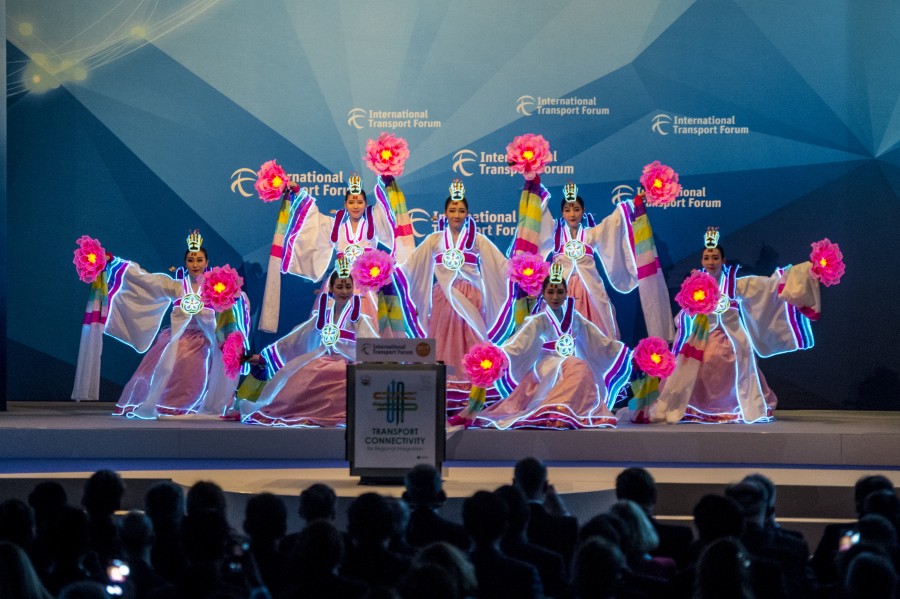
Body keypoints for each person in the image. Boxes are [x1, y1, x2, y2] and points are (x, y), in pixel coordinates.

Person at [653, 227, 825, 424]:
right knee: (697, 361)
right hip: (701, 337)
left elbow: (767, 286)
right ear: (702, 261)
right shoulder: (695, 283)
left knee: (726, 358)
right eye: (707, 258)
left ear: (723, 261)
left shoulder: (735, 282)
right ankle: (697, 408)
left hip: (732, 337)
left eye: (715, 258)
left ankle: (732, 407)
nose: (711, 262)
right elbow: (685, 312)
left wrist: (807, 272)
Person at [73, 230, 249, 418]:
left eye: (199, 260)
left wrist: (233, 298)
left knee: (194, 363)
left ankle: (192, 403)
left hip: (207, 341)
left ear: (207, 262)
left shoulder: (216, 287)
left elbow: (238, 302)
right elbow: (144, 279)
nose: (195, 264)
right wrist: (112, 261)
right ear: (185, 263)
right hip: (177, 338)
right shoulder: (175, 286)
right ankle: (164, 405)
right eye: (191, 260)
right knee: (167, 361)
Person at [474, 268, 630, 430]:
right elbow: (518, 344)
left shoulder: (575, 318)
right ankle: (554, 410)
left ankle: (571, 411)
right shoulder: (538, 320)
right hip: (547, 363)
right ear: (544, 294)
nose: (555, 297)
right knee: (577, 366)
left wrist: (619, 351)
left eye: (560, 292)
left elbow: (597, 341)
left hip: (570, 362)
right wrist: (497, 356)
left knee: (582, 368)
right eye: (550, 292)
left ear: (566, 293)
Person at [400, 180, 509, 398]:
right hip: (443, 297)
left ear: (468, 213)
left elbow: (499, 264)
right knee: (442, 338)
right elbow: (411, 265)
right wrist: (390, 273)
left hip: (471, 295)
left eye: (461, 210)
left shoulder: (477, 239)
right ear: (445, 213)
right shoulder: (434, 240)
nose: (456, 214)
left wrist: (522, 272)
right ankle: (444, 383)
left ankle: (474, 384)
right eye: (452, 210)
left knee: (471, 338)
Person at [237, 262, 378, 427]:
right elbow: (297, 338)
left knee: (340, 373)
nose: (344, 291)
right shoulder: (322, 317)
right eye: (340, 286)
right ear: (331, 289)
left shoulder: (359, 318)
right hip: (324, 359)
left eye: (348, 286)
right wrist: (263, 357)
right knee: (304, 375)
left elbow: (371, 342)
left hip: (349, 363)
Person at [539, 182, 674, 341]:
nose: (572, 214)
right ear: (562, 213)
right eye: (567, 210)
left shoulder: (591, 234)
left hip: (589, 289)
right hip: (561, 290)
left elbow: (614, 222)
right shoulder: (556, 234)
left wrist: (634, 203)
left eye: (576, 209)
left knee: (596, 330)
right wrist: (534, 190)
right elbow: (540, 219)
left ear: (583, 212)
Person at [276, 174, 407, 334]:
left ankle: (370, 352)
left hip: (367, 283)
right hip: (340, 280)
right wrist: (297, 190)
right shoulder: (335, 225)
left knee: (369, 323)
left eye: (360, 202)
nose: (356, 206)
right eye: (351, 202)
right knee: (332, 323)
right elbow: (312, 217)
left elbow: (388, 209)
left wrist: (385, 179)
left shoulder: (373, 222)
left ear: (366, 204)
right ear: (345, 204)